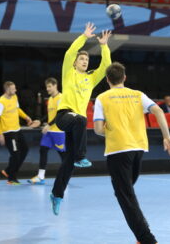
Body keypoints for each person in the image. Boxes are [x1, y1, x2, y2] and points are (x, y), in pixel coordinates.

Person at [93, 62, 170, 244]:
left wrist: (111, 129)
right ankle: (142, 233)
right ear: (124, 78)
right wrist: (166, 137)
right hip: (139, 149)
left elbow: (98, 129)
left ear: (108, 80)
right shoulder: (138, 95)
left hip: (118, 150)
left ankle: (147, 239)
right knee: (126, 193)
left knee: (125, 197)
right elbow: (158, 111)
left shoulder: (102, 98)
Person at [50, 22, 111, 215]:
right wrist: (84, 37)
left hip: (76, 124)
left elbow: (106, 66)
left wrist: (103, 46)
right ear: (76, 62)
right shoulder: (68, 73)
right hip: (64, 116)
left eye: (86, 59)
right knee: (82, 120)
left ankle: (56, 195)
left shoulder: (91, 78)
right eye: (81, 59)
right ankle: (81, 156)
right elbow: (69, 53)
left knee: (67, 163)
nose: (84, 61)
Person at [0, 81, 33, 185]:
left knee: (25, 149)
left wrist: (26, 117)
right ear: (7, 90)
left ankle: (8, 170)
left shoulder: (14, 96)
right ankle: (11, 178)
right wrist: (0, 134)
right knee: (15, 155)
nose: (15, 90)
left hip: (17, 130)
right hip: (8, 132)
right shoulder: (0, 102)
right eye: (13, 89)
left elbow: (17, 109)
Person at [28, 78, 65, 185]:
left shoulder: (61, 98)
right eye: (47, 87)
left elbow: (60, 115)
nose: (47, 89)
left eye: (49, 86)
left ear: (55, 85)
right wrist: (40, 121)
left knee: (63, 155)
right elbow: (49, 115)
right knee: (43, 150)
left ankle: (65, 176)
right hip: (50, 131)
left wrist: (48, 125)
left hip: (59, 131)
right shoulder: (50, 99)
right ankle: (41, 176)